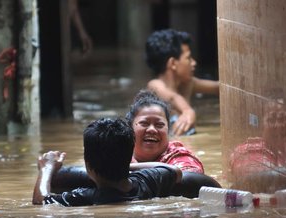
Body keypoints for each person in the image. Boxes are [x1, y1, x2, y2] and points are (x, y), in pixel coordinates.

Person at [50, 90, 221, 198]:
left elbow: (188, 181)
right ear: (129, 129)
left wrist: (121, 169)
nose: (152, 129)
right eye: (145, 123)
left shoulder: (180, 157)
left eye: (160, 125)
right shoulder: (116, 150)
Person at [32, 118, 182, 206]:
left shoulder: (85, 197)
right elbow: (175, 171)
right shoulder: (147, 182)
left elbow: (41, 202)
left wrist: (46, 169)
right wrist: (125, 165)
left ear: (88, 165)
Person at [145, 29, 219, 136]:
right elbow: (172, 97)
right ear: (173, 63)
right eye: (188, 58)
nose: (194, 62)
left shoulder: (188, 84)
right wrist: (188, 110)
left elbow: (218, 88)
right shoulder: (155, 85)